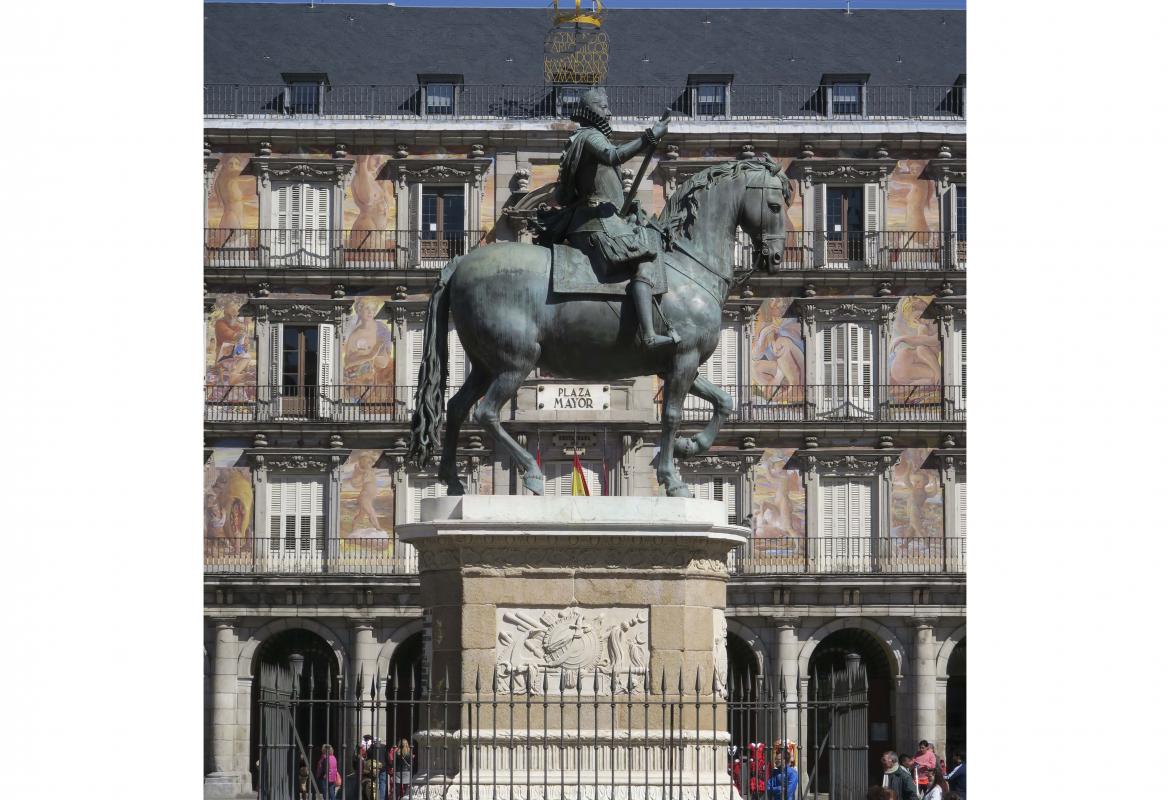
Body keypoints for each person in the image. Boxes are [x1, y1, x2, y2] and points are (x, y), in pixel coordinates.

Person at [537, 86, 673, 351]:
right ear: (591, 111)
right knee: (643, 263)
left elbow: (602, 185)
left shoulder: (586, 138)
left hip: (600, 216)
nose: (609, 112)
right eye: (604, 107)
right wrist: (649, 137)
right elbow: (613, 156)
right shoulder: (589, 137)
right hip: (594, 221)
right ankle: (648, 336)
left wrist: (626, 204)